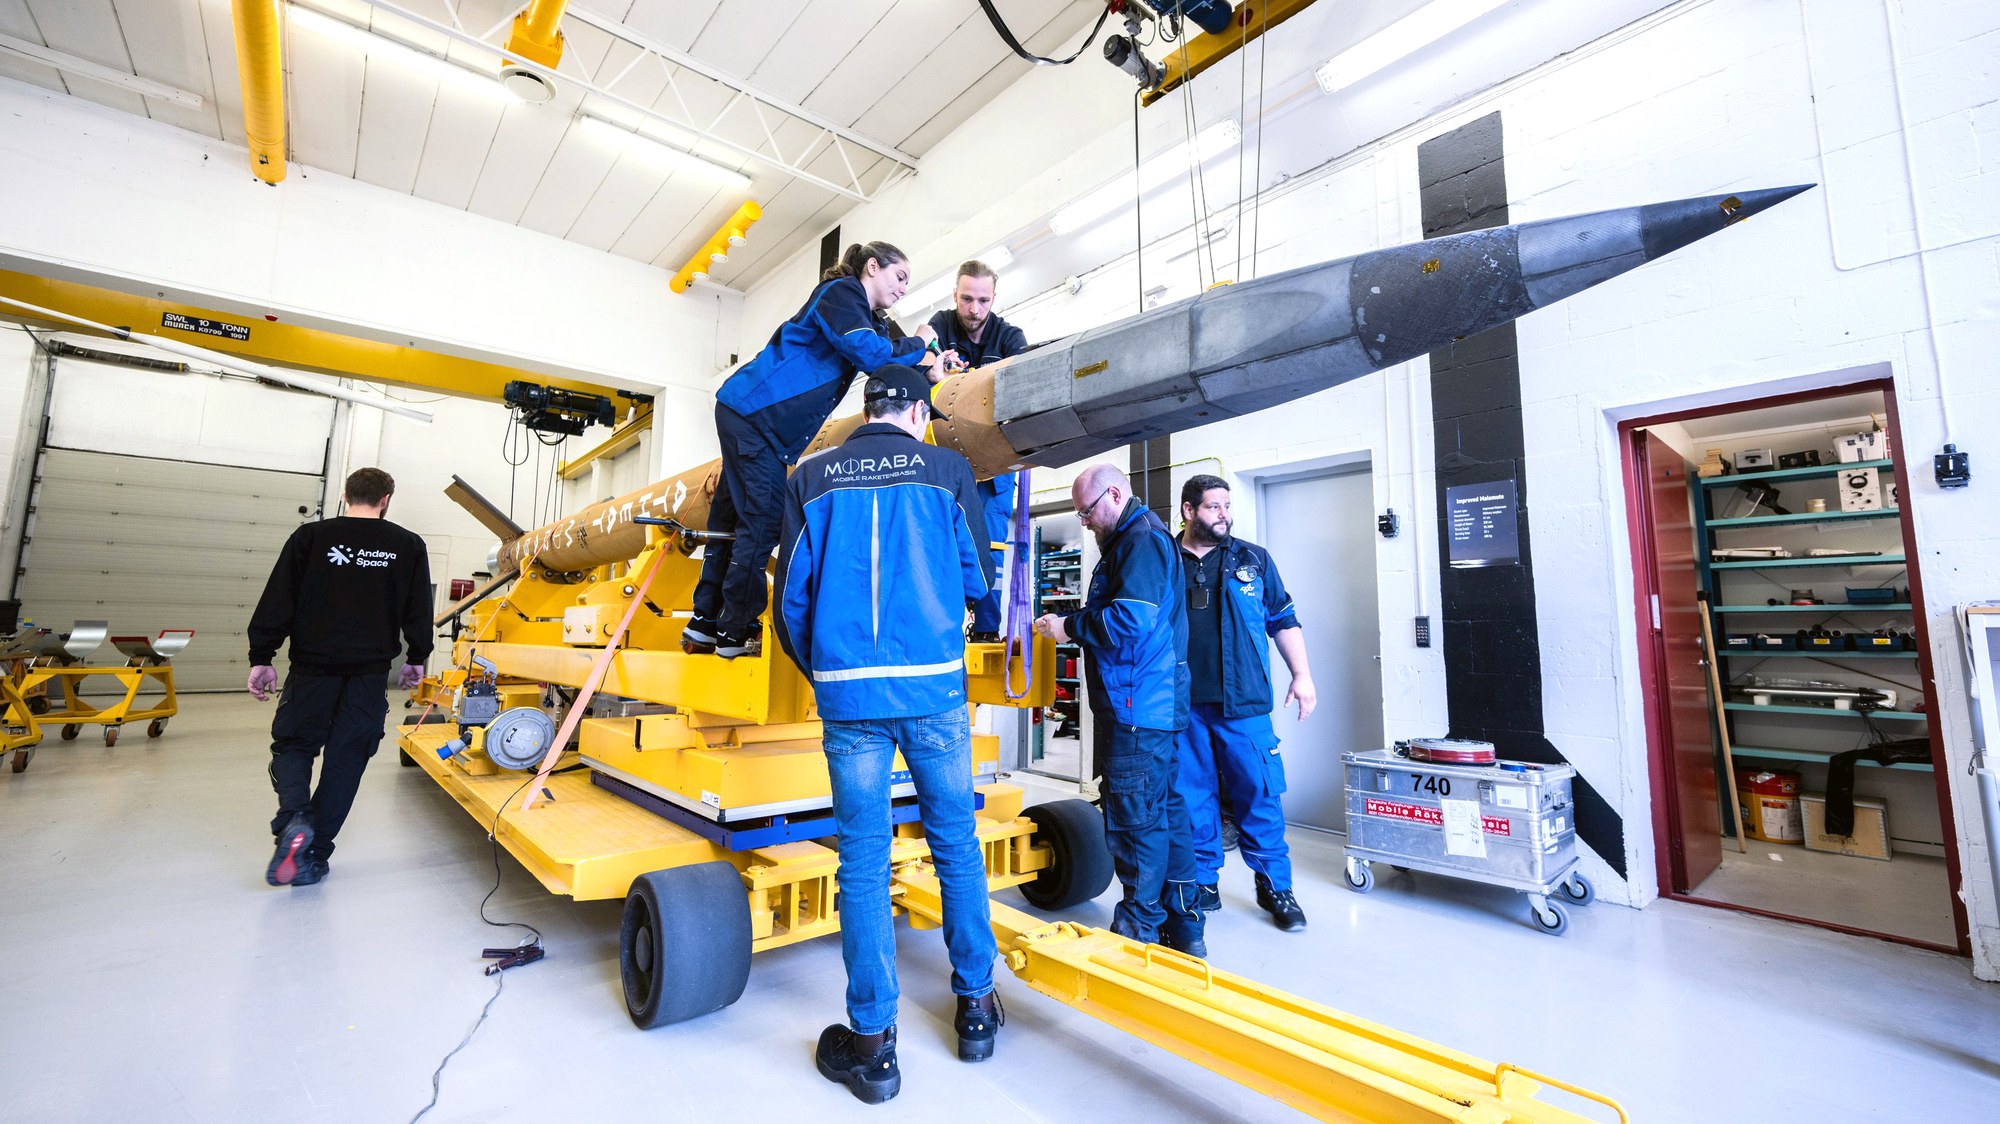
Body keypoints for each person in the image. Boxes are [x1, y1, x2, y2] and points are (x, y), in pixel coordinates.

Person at [773, 366, 1000, 1104]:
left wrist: (829, 670)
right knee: (956, 844)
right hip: (934, 692)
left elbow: (790, 603)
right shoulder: (947, 470)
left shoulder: (811, 478)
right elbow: (976, 581)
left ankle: (871, 1047)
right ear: (915, 414)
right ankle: (975, 1009)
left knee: (864, 862)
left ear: (868, 409)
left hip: (849, 701)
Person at [686, 241, 955, 660]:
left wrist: (930, 368)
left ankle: (705, 622)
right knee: (763, 522)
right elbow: (869, 353)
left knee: (731, 518)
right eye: (900, 277)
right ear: (871, 267)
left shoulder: (870, 320)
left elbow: (884, 364)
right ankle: (734, 631)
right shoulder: (842, 294)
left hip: (760, 424)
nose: (904, 288)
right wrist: (920, 342)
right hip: (755, 417)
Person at [1033, 466, 1204, 955]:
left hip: (1136, 707)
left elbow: (1131, 619)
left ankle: (1138, 931)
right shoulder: (1141, 538)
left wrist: (1067, 627)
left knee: (1135, 819)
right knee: (1165, 811)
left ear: (1113, 494)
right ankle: (1183, 926)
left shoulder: (1140, 542)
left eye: (1087, 511)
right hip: (1151, 705)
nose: (1084, 521)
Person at [247, 468, 432, 887]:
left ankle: (295, 815)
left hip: (312, 668)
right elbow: (418, 608)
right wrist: (417, 656)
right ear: (387, 499)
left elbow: (279, 597)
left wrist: (262, 656)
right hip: (368, 674)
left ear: (346, 494)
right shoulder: (407, 545)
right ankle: (312, 853)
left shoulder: (310, 538)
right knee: (347, 759)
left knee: (294, 744)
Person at [1172, 475, 1317, 931]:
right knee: (1192, 795)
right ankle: (1202, 879)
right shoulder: (1163, 559)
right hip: (1183, 704)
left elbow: (1284, 620)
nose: (1224, 515)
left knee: (1260, 791)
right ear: (1188, 510)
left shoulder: (1252, 560)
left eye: (1227, 506)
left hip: (1245, 702)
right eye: (1214, 507)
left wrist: (1303, 675)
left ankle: (1275, 884)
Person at [925, 260, 1031, 644]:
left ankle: (986, 627)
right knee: (939, 539)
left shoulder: (1010, 337)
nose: (974, 309)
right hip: (946, 457)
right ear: (955, 295)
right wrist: (931, 369)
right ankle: (943, 626)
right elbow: (918, 361)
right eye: (967, 299)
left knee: (989, 545)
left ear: (993, 299)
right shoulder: (939, 325)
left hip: (995, 463)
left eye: (983, 300)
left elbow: (1021, 386)